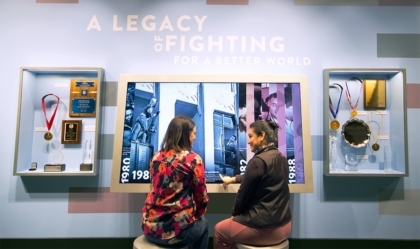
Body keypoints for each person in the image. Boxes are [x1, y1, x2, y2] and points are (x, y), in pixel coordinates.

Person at [214, 120, 291, 249]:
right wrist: (234, 179)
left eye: (250, 136)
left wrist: (234, 215)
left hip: (264, 230)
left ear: (261, 136)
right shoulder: (281, 158)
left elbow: (242, 196)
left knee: (220, 230)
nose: (248, 141)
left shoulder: (257, 161)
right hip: (285, 227)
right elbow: (259, 176)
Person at [142, 115, 209, 249]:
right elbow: (201, 198)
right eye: (193, 134)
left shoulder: (155, 157)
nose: (195, 137)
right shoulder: (193, 159)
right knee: (204, 224)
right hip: (176, 234)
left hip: (149, 229)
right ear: (184, 135)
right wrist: (197, 215)